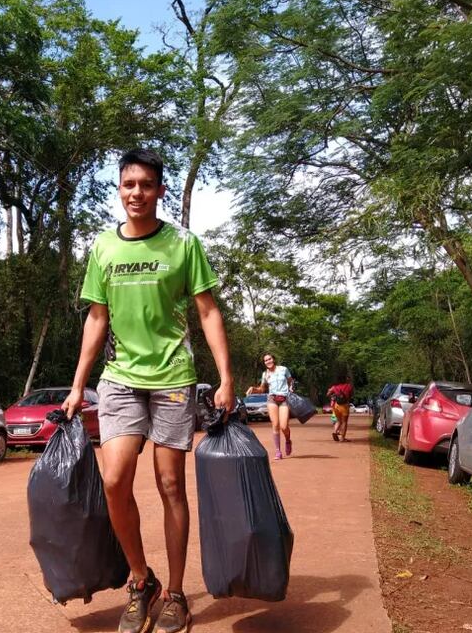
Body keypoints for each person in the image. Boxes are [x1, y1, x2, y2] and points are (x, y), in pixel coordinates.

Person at [62, 149, 235, 633]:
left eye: (145, 184)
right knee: (115, 480)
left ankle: (176, 594)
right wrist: (77, 385)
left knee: (170, 484)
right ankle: (142, 580)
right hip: (120, 378)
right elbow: (97, 318)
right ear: (119, 189)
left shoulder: (183, 244)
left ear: (160, 190)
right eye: (128, 184)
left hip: (173, 378)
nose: (136, 192)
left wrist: (226, 377)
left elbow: (207, 310)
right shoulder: (103, 247)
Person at [245, 353, 294, 460]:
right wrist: (253, 389)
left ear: (273, 359)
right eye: (266, 360)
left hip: (284, 399)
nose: (268, 361)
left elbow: (291, 381)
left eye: (269, 359)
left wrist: (291, 387)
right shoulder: (265, 374)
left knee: (284, 426)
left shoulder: (283, 369)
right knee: (275, 424)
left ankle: (288, 440)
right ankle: (278, 451)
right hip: (272, 399)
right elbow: (262, 389)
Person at [327, 375, 354, 442]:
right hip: (344, 406)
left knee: (339, 421)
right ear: (345, 380)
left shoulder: (334, 387)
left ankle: (335, 432)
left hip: (336, 406)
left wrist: (332, 394)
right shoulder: (348, 386)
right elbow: (351, 395)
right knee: (344, 422)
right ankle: (342, 438)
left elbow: (328, 394)